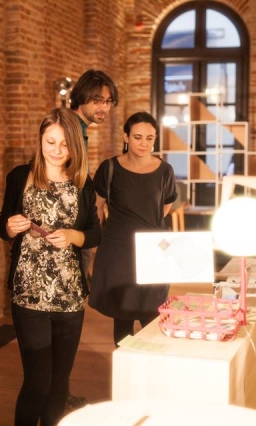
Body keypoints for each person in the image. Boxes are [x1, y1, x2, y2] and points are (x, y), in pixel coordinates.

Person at [0, 108, 101, 426]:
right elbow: (3, 227)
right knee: (37, 381)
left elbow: (94, 234)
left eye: (65, 144)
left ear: (75, 146)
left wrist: (71, 235)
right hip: (29, 293)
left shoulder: (83, 183)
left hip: (69, 295)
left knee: (58, 384)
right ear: (40, 139)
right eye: (50, 141)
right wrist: (11, 226)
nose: (56, 150)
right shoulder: (20, 176)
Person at [88, 111, 177, 346]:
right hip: (119, 251)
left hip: (153, 250)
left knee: (153, 313)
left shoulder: (164, 170)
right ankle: (125, 363)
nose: (144, 143)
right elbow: (97, 207)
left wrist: (146, 227)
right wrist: (97, 244)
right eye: (138, 137)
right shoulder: (109, 168)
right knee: (123, 314)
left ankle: (152, 363)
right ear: (126, 137)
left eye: (150, 138)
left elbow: (165, 206)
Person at [67, 68, 119, 409]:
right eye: (97, 100)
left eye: (108, 101)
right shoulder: (68, 126)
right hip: (68, 231)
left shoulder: (80, 128)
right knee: (69, 311)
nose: (104, 107)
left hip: (77, 229)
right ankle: (56, 393)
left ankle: (59, 390)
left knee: (73, 309)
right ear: (81, 97)